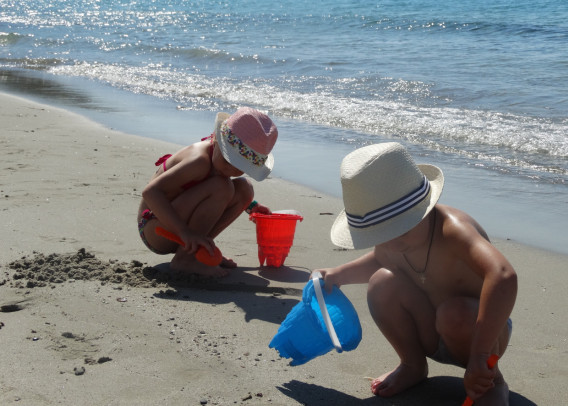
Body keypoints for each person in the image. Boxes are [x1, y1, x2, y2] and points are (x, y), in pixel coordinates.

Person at [316, 142, 517, 405]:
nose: (391, 243)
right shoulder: (394, 242)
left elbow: (503, 275)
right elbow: (380, 259)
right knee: (381, 282)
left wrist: (481, 355)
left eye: (401, 230)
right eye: (381, 234)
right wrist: (338, 275)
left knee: (454, 313)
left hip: (480, 335)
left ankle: (492, 381)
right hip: (429, 330)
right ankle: (412, 364)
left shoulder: (453, 231)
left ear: (424, 207)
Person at [137, 107, 277, 277]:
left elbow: (202, 190)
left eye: (240, 166)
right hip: (155, 229)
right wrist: (184, 232)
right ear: (216, 139)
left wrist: (250, 206)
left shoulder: (216, 161)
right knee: (222, 187)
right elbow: (150, 192)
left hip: (180, 230)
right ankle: (186, 259)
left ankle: (199, 250)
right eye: (229, 160)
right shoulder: (198, 161)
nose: (231, 170)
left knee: (245, 189)